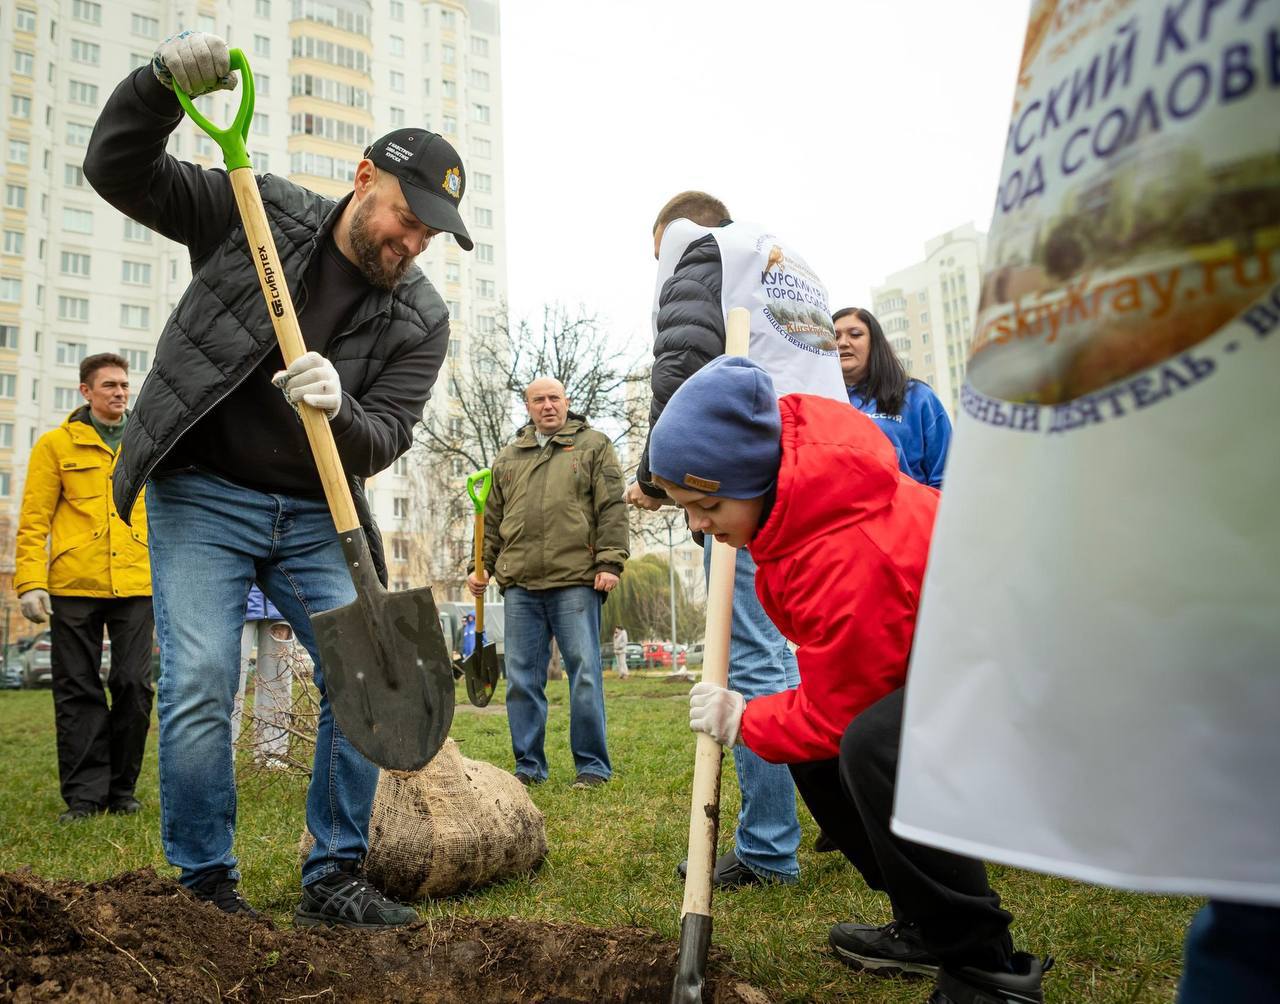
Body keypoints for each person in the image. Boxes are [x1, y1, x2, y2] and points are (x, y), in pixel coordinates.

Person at [84, 31, 470, 925]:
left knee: (367, 674)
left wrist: (339, 407)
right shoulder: (253, 209)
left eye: (429, 233)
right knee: (201, 677)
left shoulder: (422, 316)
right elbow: (118, 168)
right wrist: (155, 86)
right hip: (203, 491)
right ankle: (204, 886)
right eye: (404, 217)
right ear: (365, 175)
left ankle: (333, 874)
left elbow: (388, 435)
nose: (412, 242)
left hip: (314, 511)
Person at [649, 356, 1050, 1004]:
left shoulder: (848, 549)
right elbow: (835, 697)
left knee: (871, 747)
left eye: (707, 504)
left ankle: (985, 970)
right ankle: (922, 924)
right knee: (817, 751)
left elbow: (844, 713)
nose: (700, 525)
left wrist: (742, 720)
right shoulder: (795, 518)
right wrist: (759, 721)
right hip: (960, 666)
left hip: (1028, 669)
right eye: (688, 510)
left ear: (754, 479)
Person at [627, 190, 845, 888]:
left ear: (671, 232)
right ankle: (833, 822)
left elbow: (682, 369)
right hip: (816, 464)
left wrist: (657, 478)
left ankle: (767, 847)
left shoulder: (697, 251)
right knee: (791, 660)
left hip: (748, 483)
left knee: (747, 657)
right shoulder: (782, 259)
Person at [467, 377, 628, 789]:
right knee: (521, 678)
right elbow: (492, 519)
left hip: (576, 578)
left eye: (554, 398)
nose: (547, 405)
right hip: (520, 583)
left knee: (585, 674)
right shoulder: (509, 456)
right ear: (528, 406)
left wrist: (610, 561)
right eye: (538, 400)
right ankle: (528, 767)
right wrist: (480, 566)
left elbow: (611, 506)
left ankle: (591, 766)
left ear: (566, 402)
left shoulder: (593, 445)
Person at [14, 354, 155, 824]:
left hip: (137, 581)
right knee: (77, 688)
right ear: (86, 391)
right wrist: (30, 582)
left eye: (123, 385)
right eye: (109, 385)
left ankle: (122, 789)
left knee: (133, 683)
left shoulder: (146, 442)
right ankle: (84, 796)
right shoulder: (56, 446)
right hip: (73, 582)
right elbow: (34, 520)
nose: (119, 392)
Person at [833, 307, 952, 489]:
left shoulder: (917, 397)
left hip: (912, 515)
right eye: (835, 336)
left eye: (855, 334)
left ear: (875, 344)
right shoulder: (818, 402)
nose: (842, 343)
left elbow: (946, 478)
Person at [232, 585, 294, 768]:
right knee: (231, 679)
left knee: (278, 677)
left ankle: (273, 752)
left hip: (280, 596)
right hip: (237, 597)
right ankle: (224, 753)